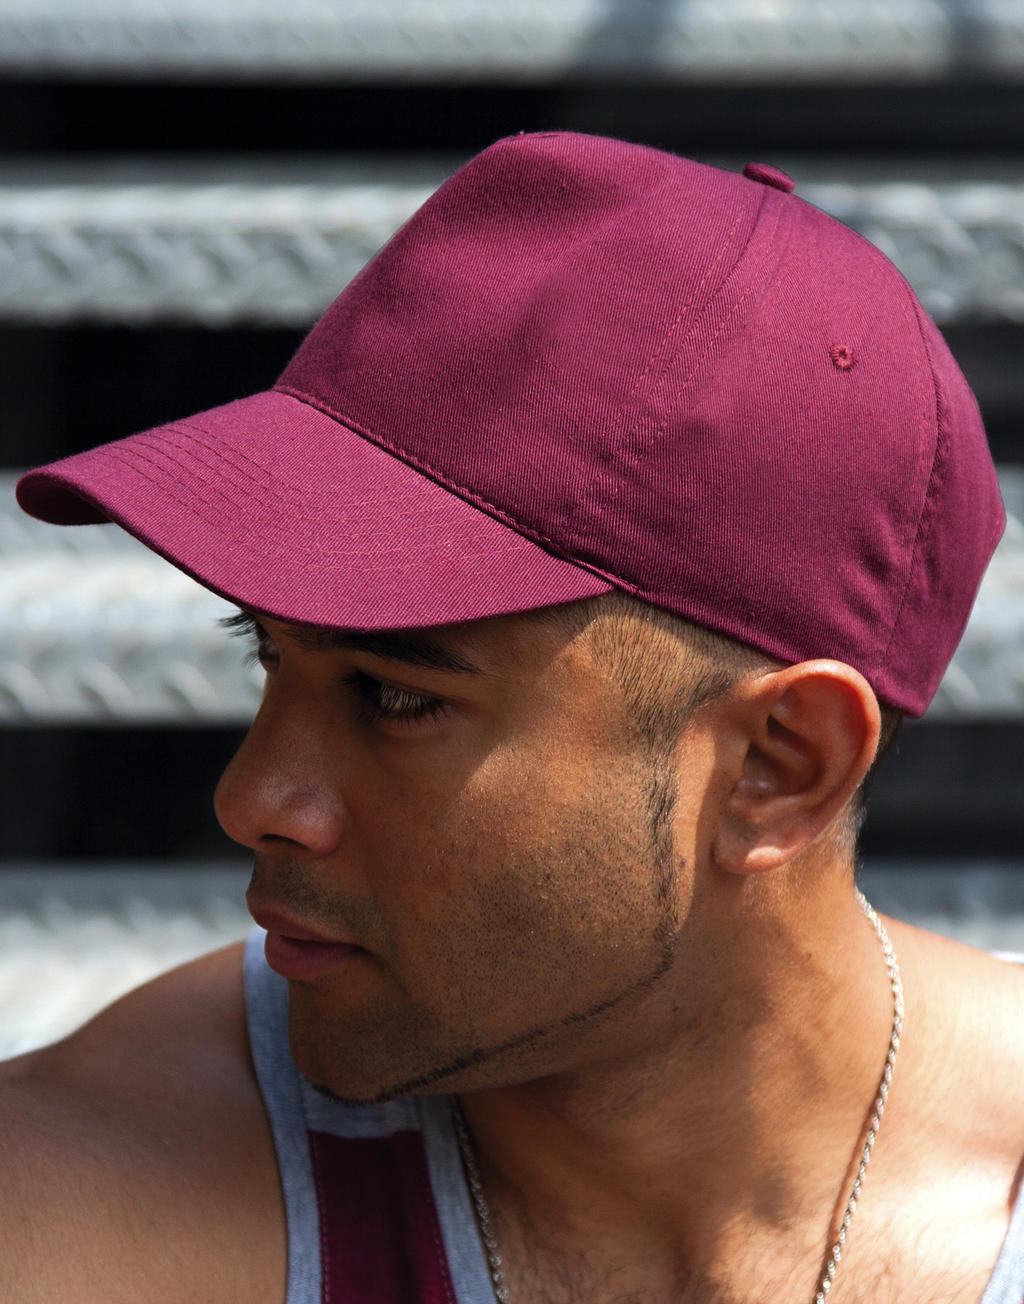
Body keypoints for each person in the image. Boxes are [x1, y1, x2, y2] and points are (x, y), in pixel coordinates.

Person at [2, 131, 1021, 1304]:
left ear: (779, 766)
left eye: (396, 696)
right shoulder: (93, 1183)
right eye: (266, 653)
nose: (251, 799)